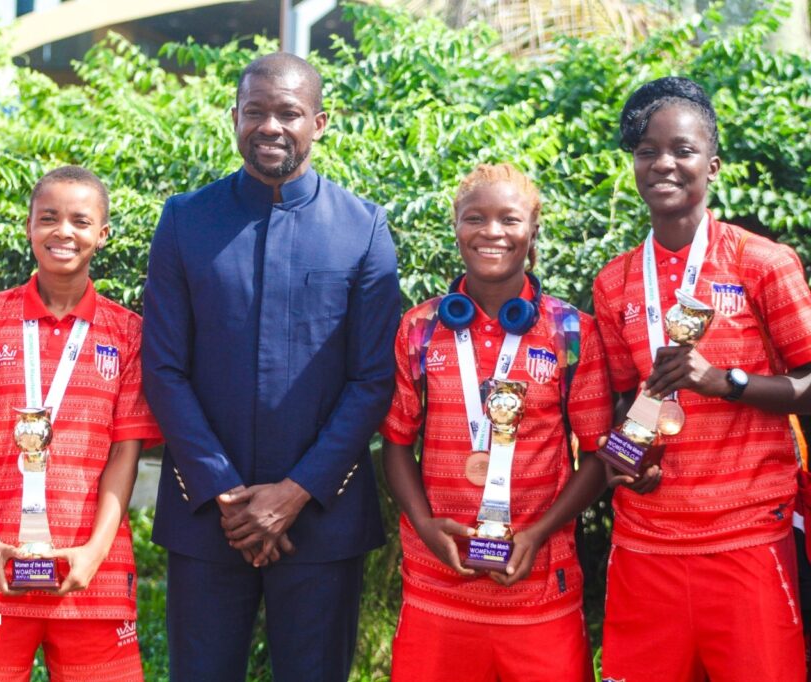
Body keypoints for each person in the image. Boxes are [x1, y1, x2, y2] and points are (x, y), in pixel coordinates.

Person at [141, 52, 401, 682]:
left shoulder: (363, 228)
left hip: (322, 517)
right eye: (254, 111)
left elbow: (372, 379)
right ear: (234, 116)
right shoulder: (185, 221)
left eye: (288, 113)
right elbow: (164, 368)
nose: (270, 126)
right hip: (208, 515)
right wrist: (226, 493)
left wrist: (294, 492)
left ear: (320, 122)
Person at [593, 76, 811, 682]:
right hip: (645, 542)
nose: (663, 163)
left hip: (747, 538)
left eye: (682, 150)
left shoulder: (762, 263)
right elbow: (625, 400)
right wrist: (628, 458)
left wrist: (725, 381)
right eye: (647, 151)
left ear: (711, 165)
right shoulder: (614, 283)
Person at [380, 163, 612, 682]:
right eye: (474, 218)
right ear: (456, 227)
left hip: (540, 584)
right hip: (437, 581)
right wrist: (426, 527)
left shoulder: (571, 331)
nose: (491, 232)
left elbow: (598, 456)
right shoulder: (418, 328)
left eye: (509, 219)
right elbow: (396, 443)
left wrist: (539, 534)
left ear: (533, 232)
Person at [0, 166, 160, 681]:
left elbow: (124, 454)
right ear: (29, 226)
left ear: (103, 234)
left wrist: (94, 553)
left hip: (93, 574)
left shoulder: (128, 334)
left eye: (80, 220)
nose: (64, 232)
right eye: (49, 218)